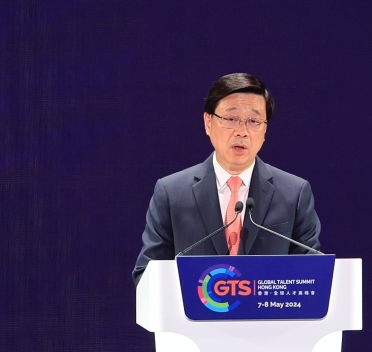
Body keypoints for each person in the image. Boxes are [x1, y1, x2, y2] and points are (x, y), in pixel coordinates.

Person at [133, 73, 321, 285]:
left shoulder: (294, 193)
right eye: (231, 119)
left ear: (265, 130)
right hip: (197, 305)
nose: (242, 132)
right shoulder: (171, 193)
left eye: (253, 121)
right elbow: (146, 275)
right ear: (208, 122)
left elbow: (312, 275)